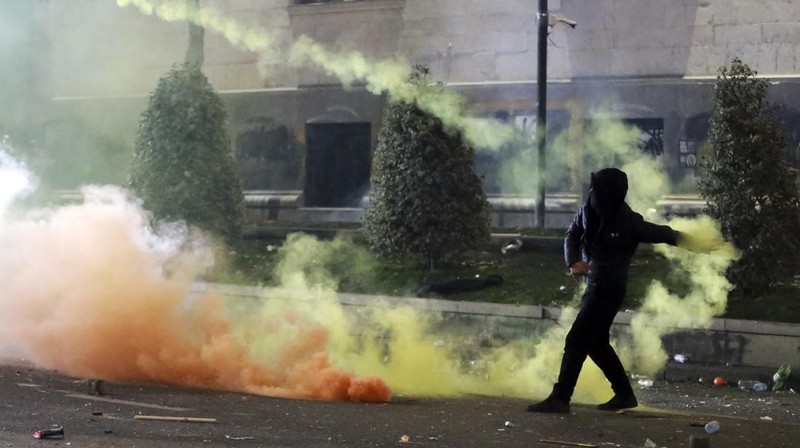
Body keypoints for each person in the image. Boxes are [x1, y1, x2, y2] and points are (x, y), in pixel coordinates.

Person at [527, 167, 685, 413]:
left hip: (609, 288)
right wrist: (573, 261)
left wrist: (699, 243)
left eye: (598, 191)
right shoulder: (589, 206)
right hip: (594, 284)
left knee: (578, 339)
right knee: (596, 343)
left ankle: (560, 398)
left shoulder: (629, 221)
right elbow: (573, 233)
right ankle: (624, 394)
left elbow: (665, 234)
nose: (593, 193)